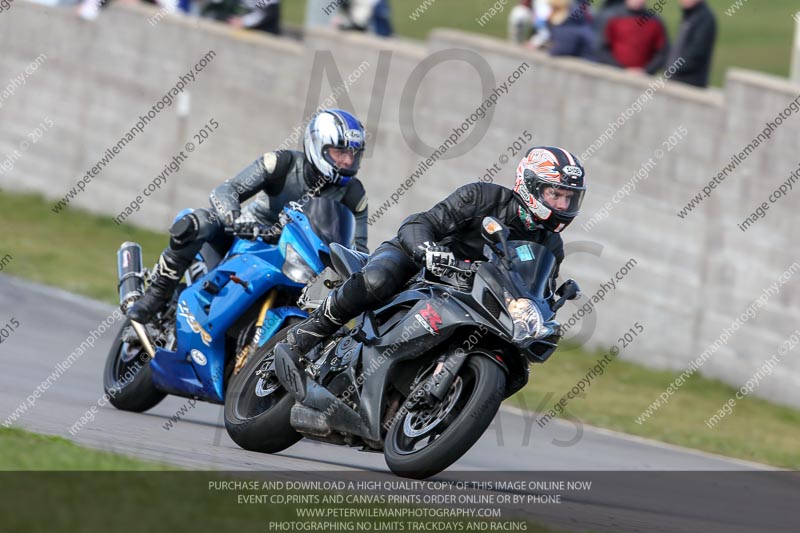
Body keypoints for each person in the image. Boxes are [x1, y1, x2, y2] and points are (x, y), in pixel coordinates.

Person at [284, 146, 587, 358]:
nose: (562, 205)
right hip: (422, 267)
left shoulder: (551, 246)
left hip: (473, 301)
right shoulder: (483, 197)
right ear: (531, 186)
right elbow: (420, 222)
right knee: (377, 280)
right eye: (555, 194)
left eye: (569, 198)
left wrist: (543, 314)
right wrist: (428, 250)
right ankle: (313, 329)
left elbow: (536, 294)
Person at [127, 109, 370, 324]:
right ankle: (156, 295)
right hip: (252, 238)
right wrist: (234, 219)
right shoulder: (280, 164)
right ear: (318, 145)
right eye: (340, 151)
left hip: (304, 264)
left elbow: (357, 249)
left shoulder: (354, 194)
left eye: (354, 153)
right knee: (198, 222)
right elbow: (227, 190)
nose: (348, 160)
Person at [597, 0, 669, 75]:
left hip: (642, 79)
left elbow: (662, 53)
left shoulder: (655, 21)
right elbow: (602, 49)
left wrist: (646, 71)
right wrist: (621, 69)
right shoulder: (612, 18)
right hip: (614, 75)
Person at [667, 0, 717, 87]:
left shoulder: (704, 18)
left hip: (691, 83)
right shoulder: (689, 15)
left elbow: (696, 52)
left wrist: (674, 68)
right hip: (678, 79)